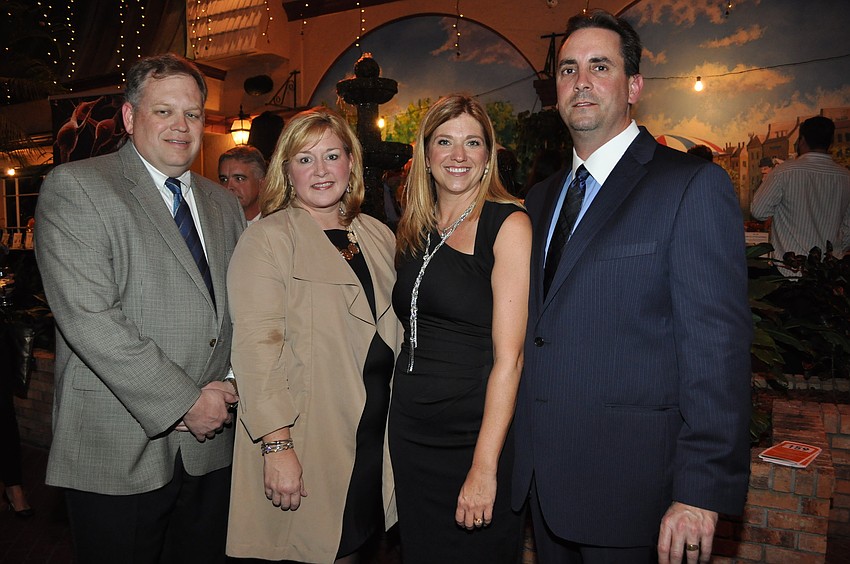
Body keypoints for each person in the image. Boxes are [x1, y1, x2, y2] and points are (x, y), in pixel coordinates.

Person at [512, 10, 752, 563]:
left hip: (637, 492)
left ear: (635, 86)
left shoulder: (690, 186)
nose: (582, 81)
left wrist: (699, 491)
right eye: (569, 70)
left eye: (600, 66)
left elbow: (716, 349)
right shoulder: (541, 199)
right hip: (547, 487)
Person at [35, 53, 245, 563]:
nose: (181, 126)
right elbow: (91, 320)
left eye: (192, 114)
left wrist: (236, 382)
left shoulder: (224, 203)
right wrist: (187, 403)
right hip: (116, 447)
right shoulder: (77, 187)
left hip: (211, 449)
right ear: (129, 118)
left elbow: (246, 309)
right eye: (164, 112)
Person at [226, 107, 400, 563]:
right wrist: (278, 446)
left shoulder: (376, 234)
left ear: (351, 162)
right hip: (309, 436)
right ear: (286, 171)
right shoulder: (268, 239)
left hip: (372, 434)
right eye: (305, 159)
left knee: (356, 546)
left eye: (331, 156)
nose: (320, 171)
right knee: (318, 549)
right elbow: (255, 352)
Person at [389, 94, 531, 563]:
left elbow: (510, 360)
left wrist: (484, 466)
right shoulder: (415, 225)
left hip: (471, 435)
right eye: (445, 142)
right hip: (411, 430)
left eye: (473, 143)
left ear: (488, 155)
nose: (458, 156)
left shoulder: (507, 224)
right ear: (425, 155)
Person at [751, 115, 850, 271]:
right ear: (830, 143)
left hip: (790, 270)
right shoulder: (846, 177)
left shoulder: (783, 172)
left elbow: (759, 212)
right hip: (828, 273)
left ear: (802, 140)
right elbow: (848, 227)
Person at [219, 145, 266, 224]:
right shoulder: (215, 224)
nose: (228, 187)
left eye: (239, 179)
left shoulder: (279, 225)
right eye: (224, 180)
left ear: (262, 184)